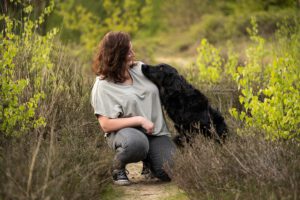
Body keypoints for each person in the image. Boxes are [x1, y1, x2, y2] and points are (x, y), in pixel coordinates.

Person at [91, 31, 176, 185]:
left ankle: (150, 163)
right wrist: (139, 119)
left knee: (170, 171)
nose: (133, 54)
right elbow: (105, 125)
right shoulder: (102, 85)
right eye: (128, 51)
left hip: (155, 132)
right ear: (117, 55)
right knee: (137, 144)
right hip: (125, 134)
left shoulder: (140, 69)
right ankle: (117, 168)